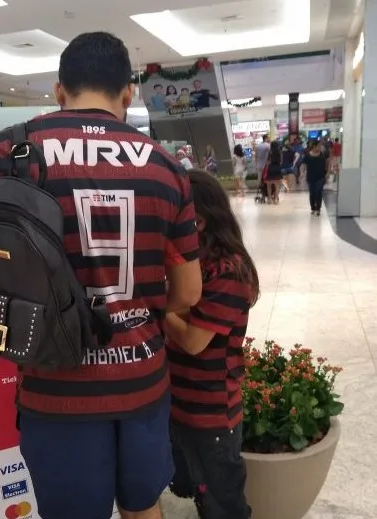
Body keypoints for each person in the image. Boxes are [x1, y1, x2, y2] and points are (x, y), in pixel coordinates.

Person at [0, 31, 203, 519]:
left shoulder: (6, 151)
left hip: (54, 387)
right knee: (143, 506)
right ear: (128, 93)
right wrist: (139, 305)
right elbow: (188, 291)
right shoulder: (169, 168)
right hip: (143, 381)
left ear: (59, 90)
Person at [165, 169, 259, 519]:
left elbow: (193, 341)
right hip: (181, 406)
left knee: (226, 503)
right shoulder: (189, 264)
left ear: (198, 221)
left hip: (213, 417)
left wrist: (157, 307)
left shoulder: (228, 271)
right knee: (198, 491)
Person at [301, 140, 328, 216]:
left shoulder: (322, 154)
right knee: (312, 193)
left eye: (320, 146)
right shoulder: (308, 155)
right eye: (319, 146)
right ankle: (313, 208)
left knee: (318, 192)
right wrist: (302, 173)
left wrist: (328, 172)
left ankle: (318, 208)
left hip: (320, 176)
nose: (320, 148)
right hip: (310, 177)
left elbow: (327, 162)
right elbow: (303, 164)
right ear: (314, 146)